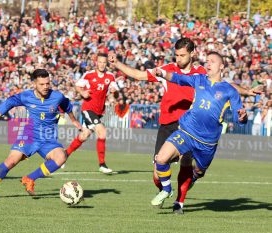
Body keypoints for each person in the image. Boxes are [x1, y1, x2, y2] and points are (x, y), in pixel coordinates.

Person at [109, 38, 260, 214]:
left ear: (192, 54)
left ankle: (179, 203)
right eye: (177, 55)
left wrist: (246, 91)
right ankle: (165, 189)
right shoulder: (167, 69)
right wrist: (117, 63)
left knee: (186, 165)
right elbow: (138, 75)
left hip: (189, 127)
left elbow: (225, 85)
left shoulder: (202, 73)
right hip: (167, 125)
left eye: (182, 55)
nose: (178, 58)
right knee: (157, 174)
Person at [150, 51, 247, 207]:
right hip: (187, 132)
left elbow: (239, 118)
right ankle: (166, 189)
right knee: (160, 159)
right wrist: (162, 72)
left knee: (199, 172)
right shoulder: (199, 79)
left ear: (221, 66)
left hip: (207, 142)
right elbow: (177, 78)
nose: (208, 64)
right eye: (207, 61)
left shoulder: (229, 90)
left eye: (212, 61)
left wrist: (242, 116)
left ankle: (194, 177)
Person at [0, 69, 81, 198]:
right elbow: (9, 102)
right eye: (42, 84)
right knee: (11, 160)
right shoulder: (26, 96)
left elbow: (67, 105)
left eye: (48, 83)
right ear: (34, 84)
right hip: (29, 134)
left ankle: (30, 178)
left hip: (48, 137)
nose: (46, 87)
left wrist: (74, 120)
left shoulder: (57, 96)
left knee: (61, 157)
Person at [65, 53, 119, 174]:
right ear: (96, 62)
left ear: (106, 64)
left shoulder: (110, 76)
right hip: (88, 109)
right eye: (100, 62)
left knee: (84, 135)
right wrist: (83, 92)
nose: (102, 64)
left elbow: (113, 92)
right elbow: (78, 86)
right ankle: (102, 164)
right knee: (102, 131)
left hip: (99, 111)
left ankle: (64, 155)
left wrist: (112, 96)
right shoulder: (89, 75)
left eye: (104, 62)